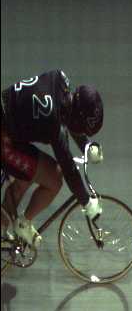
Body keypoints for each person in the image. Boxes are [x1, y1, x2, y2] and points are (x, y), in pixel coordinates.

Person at [0, 70, 103, 248]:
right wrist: (86, 201)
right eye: (82, 129)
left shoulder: (60, 79)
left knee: (32, 175)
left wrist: (87, 144)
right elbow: (68, 168)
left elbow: (68, 117)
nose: (80, 132)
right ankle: (17, 225)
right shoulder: (53, 122)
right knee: (52, 177)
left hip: (9, 127)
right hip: (5, 139)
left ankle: (14, 226)